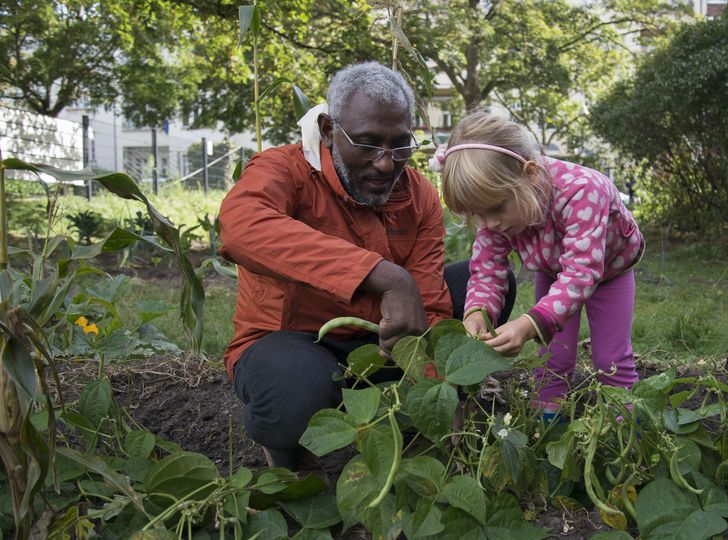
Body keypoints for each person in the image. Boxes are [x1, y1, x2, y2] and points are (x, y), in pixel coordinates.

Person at [218, 63, 514, 470]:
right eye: (368, 143)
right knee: (294, 394)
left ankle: (415, 425)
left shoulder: (418, 194)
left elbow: (428, 303)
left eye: (399, 145)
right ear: (327, 130)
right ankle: (287, 458)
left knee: (484, 285)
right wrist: (385, 276)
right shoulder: (283, 170)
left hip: (379, 344)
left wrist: (437, 392)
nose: (385, 164)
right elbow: (240, 226)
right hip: (293, 341)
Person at [437, 112, 644, 419]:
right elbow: (487, 272)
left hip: (608, 272)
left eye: (495, 209)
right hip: (553, 271)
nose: (489, 223)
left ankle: (625, 424)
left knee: (610, 358)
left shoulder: (583, 192)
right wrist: (477, 313)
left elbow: (580, 274)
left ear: (530, 174)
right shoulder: (496, 215)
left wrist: (528, 324)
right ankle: (548, 424)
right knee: (552, 358)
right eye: (478, 214)